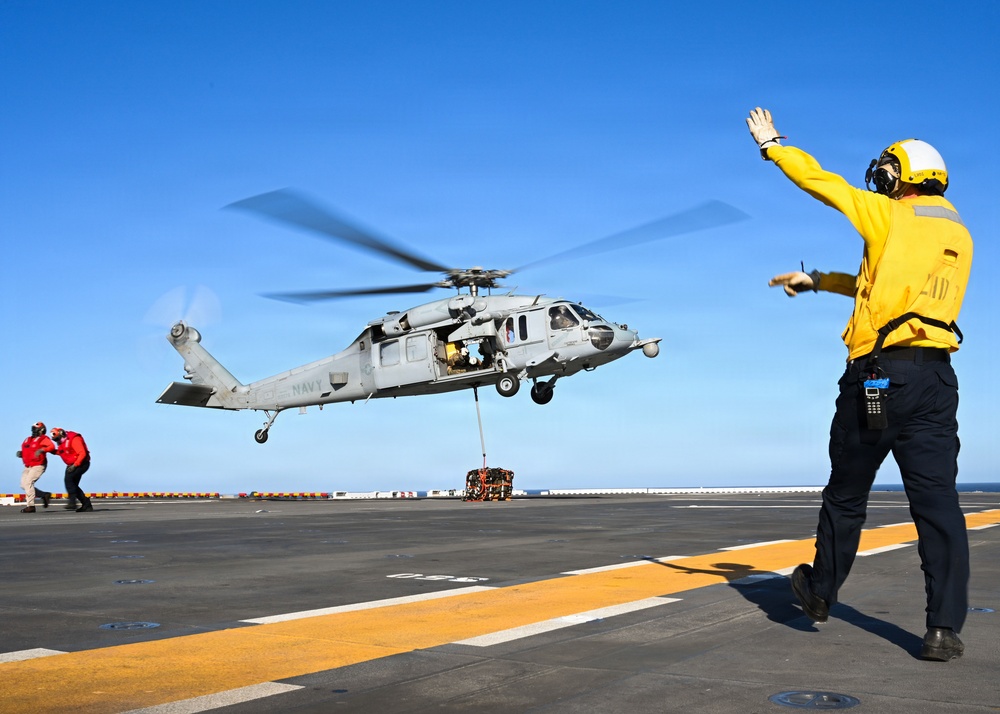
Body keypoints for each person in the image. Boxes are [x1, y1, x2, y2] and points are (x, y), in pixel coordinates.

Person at [746, 107, 973, 662]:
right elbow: (885, 287)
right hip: (936, 380)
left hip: (878, 379)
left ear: (901, 176)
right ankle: (943, 629)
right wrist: (821, 280)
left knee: (847, 492)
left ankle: (821, 592)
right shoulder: (958, 232)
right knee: (938, 504)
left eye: (888, 171)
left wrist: (773, 146)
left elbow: (823, 184)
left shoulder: (888, 214)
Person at [50, 427, 93, 512]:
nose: (57, 441)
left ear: (62, 434)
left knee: (69, 480)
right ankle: (87, 505)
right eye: (56, 440)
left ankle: (72, 502)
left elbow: (82, 453)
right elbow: (63, 452)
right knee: (73, 485)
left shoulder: (74, 439)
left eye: (58, 439)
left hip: (82, 463)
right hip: (72, 464)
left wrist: (75, 465)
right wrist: (52, 451)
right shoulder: (61, 443)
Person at [17, 422, 56, 513]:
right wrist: (21, 454)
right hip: (28, 466)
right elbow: (28, 451)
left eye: (35, 429)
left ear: (41, 430)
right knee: (23, 485)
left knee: (28, 483)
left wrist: (42, 449)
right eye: (33, 429)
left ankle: (30, 506)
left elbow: (52, 446)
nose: (34, 431)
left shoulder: (43, 439)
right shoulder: (28, 439)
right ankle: (44, 495)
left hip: (38, 465)